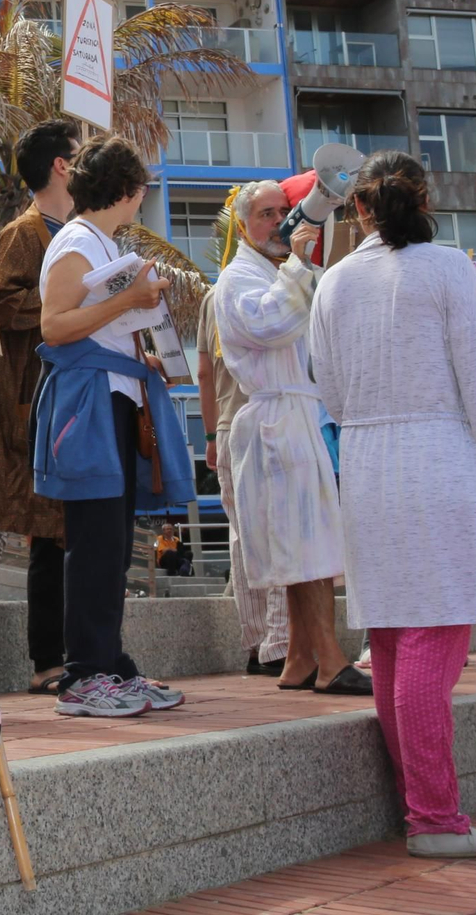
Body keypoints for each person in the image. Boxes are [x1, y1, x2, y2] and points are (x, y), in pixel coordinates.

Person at [307, 151, 476, 858]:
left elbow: (330, 396)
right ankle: (434, 817)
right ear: (423, 197)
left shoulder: (332, 282)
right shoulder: (448, 267)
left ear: (358, 207)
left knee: (396, 642)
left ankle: (424, 808)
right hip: (440, 457)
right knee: (432, 635)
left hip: (367, 466)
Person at [32, 135, 195, 717]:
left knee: (113, 539)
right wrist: (129, 304)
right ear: (132, 192)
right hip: (91, 400)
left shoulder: (95, 240)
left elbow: (83, 324)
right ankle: (85, 674)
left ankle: (109, 663)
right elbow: (54, 326)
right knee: (97, 539)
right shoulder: (78, 240)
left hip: (113, 393)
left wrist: (139, 355)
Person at [213, 181, 366, 695]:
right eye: (264, 214)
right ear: (242, 224)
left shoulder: (279, 272)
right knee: (309, 545)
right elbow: (272, 326)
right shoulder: (237, 279)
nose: (277, 222)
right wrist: (300, 265)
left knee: (309, 543)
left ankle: (300, 658)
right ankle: (329, 659)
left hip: (298, 414)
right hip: (275, 417)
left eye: (283, 211)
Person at [0, 119, 79, 692]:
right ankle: (48, 661)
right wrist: (68, 296)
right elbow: (0, 305)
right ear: (62, 165)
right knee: (47, 536)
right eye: (80, 153)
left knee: (75, 533)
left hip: (77, 401)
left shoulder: (86, 232)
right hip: (37, 404)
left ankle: (79, 652)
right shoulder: (22, 233)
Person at [197, 280, 290, 678]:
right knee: (280, 532)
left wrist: (209, 433)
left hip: (227, 425)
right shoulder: (281, 289)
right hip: (273, 421)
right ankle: (279, 641)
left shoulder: (213, 296)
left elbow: (203, 373)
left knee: (241, 535)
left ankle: (256, 643)